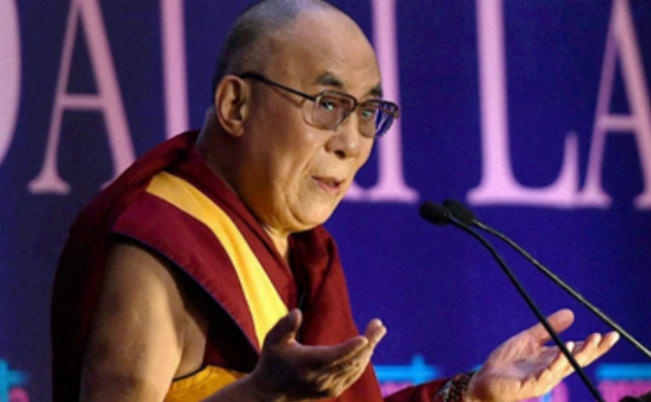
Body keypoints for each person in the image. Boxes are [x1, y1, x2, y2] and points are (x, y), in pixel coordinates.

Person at [50, 0, 620, 401]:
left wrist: (471, 393)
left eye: (368, 112)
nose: (351, 142)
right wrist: (258, 396)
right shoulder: (161, 244)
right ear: (235, 106)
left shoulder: (305, 255)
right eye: (326, 104)